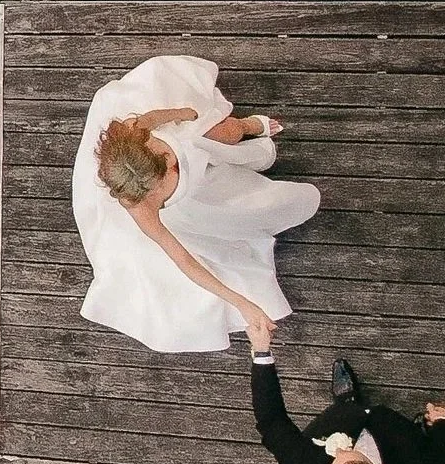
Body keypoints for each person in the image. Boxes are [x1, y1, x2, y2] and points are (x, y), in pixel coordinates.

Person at [70, 53, 320, 354]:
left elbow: (153, 118)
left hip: (187, 141)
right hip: (194, 198)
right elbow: (184, 261)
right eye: (159, 184)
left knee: (225, 132)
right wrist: (243, 303)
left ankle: (250, 126)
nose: (169, 172)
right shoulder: (140, 207)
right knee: (250, 203)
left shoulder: (133, 130)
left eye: (164, 164)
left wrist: (181, 113)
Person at [248, 330, 445, 464]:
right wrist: (442, 423)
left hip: (339, 423)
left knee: (343, 414)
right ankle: (408, 426)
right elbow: (443, 455)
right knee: (415, 443)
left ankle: (348, 402)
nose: (340, 451)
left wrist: (261, 353)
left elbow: (271, 420)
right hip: (395, 445)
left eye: (338, 457)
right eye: (349, 453)